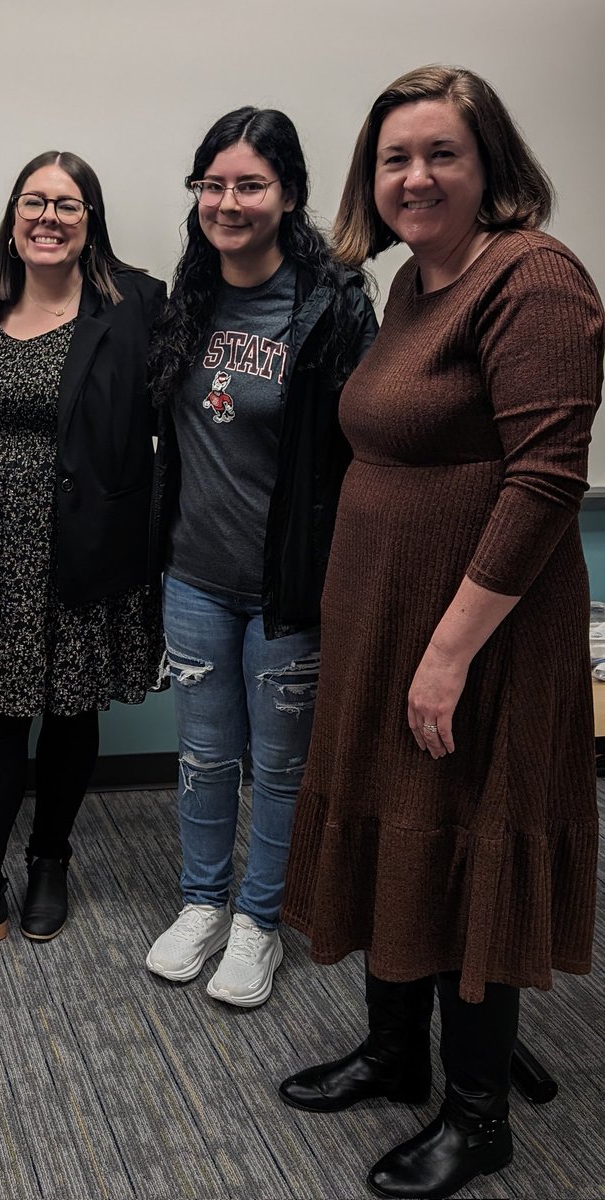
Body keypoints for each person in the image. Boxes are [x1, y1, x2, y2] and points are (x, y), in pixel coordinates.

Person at [278, 65, 603, 1200]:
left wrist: (450, 651)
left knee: (464, 834)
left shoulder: (536, 278)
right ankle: (390, 1050)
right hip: (383, 615)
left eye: (440, 154)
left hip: (477, 632)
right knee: (392, 821)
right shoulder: (415, 284)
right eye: (393, 158)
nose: (413, 177)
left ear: (491, 165)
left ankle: (478, 1115)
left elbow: (547, 480)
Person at [0, 151, 166, 979]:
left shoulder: (134, 304)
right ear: (12, 215)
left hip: (86, 540)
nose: (48, 217)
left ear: (91, 219)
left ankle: (50, 859)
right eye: (34, 202)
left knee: (72, 710)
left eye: (68, 204)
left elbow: (170, 419)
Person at [144, 109, 376, 1007]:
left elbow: (360, 453)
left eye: (250, 185)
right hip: (194, 579)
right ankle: (202, 903)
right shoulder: (190, 297)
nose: (228, 201)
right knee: (204, 758)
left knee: (280, 767)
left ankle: (258, 920)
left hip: (290, 591)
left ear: (288, 196)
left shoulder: (333, 304)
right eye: (213, 184)